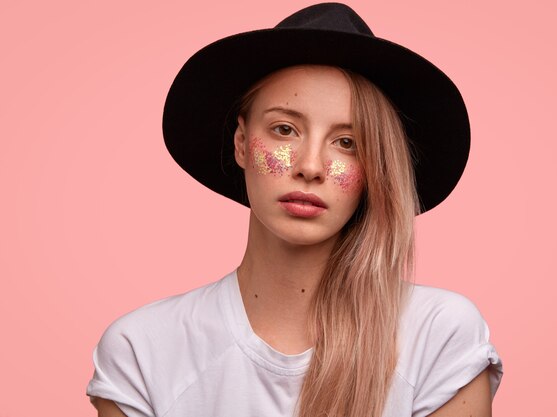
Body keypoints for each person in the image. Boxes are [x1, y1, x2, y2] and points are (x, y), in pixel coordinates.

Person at [86, 3, 503, 417]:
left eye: (347, 142)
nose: (309, 166)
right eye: (284, 130)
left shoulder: (439, 336)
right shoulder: (141, 351)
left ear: (375, 168)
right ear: (242, 143)